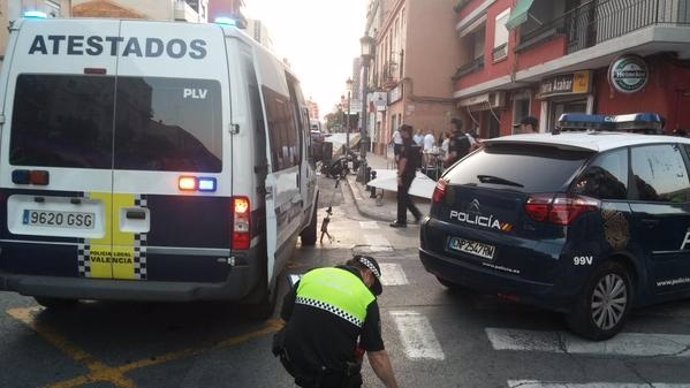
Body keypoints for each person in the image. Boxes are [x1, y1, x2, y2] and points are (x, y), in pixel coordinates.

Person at [275, 255, 399, 388]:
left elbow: (284, 319)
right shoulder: (366, 298)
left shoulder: (312, 275)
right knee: (351, 373)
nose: (370, 291)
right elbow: (377, 357)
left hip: (292, 360)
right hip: (329, 374)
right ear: (368, 274)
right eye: (372, 286)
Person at [391, 124, 422, 228]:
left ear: (405, 132)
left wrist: (399, 175)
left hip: (405, 173)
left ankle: (401, 221)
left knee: (401, 196)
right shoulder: (414, 143)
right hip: (412, 173)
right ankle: (416, 214)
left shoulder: (406, 145)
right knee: (404, 195)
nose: (400, 133)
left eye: (401, 132)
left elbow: (403, 161)